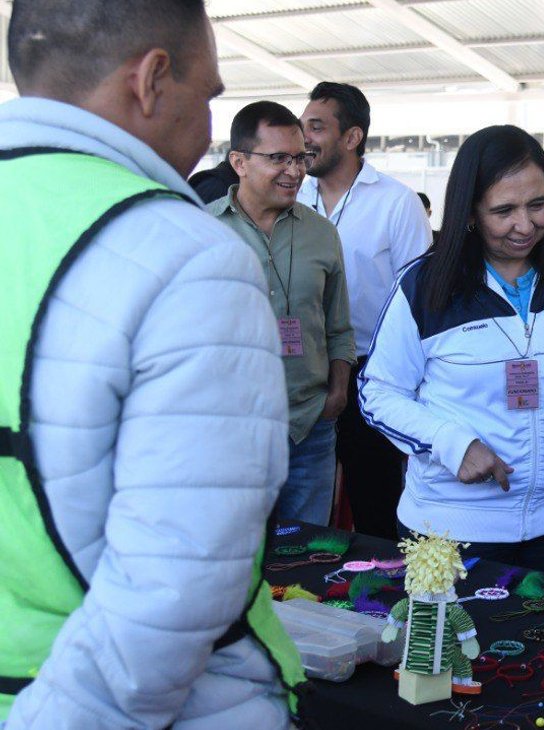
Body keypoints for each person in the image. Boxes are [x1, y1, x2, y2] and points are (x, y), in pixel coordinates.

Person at [0, 0, 305, 725]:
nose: (206, 131)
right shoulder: (188, 257)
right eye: (207, 97)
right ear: (151, 80)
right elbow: (177, 584)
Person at [359, 125, 544, 580]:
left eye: (538, 204)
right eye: (503, 211)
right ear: (469, 213)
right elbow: (378, 393)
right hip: (449, 532)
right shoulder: (425, 286)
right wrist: (451, 444)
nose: (524, 225)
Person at [209, 101, 355, 525]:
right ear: (239, 162)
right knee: (238, 558)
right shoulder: (204, 233)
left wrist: (337, 395)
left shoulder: (322, 233)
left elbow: (338, 326)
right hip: (232, 434)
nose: (295, 171)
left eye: (300, 157)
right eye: (278, 159)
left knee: (306, 560)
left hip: (310, 429)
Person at [298, 81, 431, 539]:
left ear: (352, 138)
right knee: (303, 499)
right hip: (304, 370)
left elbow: (421, 300)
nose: (304, 139)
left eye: (316, 127)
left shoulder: (397, 202)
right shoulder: (294, 196)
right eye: (302, 127)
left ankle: (376, 599)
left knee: (373, 500)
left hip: (373, 372)